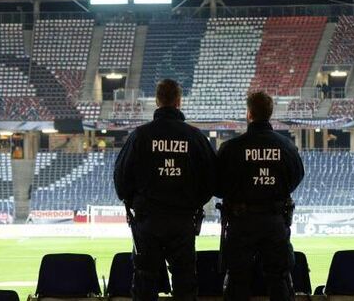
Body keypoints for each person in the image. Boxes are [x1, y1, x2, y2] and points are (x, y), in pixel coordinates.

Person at [114, 79, 216, 301]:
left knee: (144, 282)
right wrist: (194, 202)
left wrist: (135, 202)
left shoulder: (140, 136)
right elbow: (211, 180)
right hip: (183, 220)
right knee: (185, 282)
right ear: (179, 102)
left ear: (156, 101)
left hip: (148, 220)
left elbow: (121, 179)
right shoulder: (195, 137)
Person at [216, 91, 305, 301]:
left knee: (237, 280)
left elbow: (217, 186)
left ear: (249, 114)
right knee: (279, 279)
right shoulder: (287, 146)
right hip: (274, 221)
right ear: (270, 114)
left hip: (240, 223)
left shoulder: (232, 148)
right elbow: (297, 176)